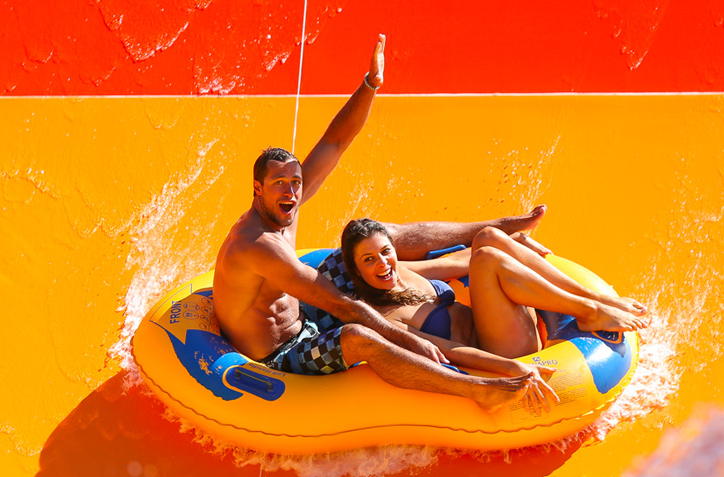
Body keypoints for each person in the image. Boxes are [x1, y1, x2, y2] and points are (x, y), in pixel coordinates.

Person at [212, 34, 557, 413]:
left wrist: (370, 85)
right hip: (280, 353)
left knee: (376, 237)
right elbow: (344, 307)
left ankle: (499, 226)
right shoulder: (258, 245)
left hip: (305, 318)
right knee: (361, 335)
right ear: (257, 189)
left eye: (296, 183)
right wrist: (407, 340)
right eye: (280, 184)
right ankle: (473, 388)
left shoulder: (284, 208)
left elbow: (335, 142)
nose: (293, 192)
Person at [339, 218, 650, 379]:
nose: (383, 264)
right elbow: (451, 352)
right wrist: (509, 369)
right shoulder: (380, 317)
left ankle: (596, 301)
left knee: (487, 239)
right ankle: (590, 310)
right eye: (369, 260)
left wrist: (513, 243)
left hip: (503, 320)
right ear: (356, 270)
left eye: (385, 251)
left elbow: (461, 260)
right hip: (501, 348)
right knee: (487, 257)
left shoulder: (403, 270)